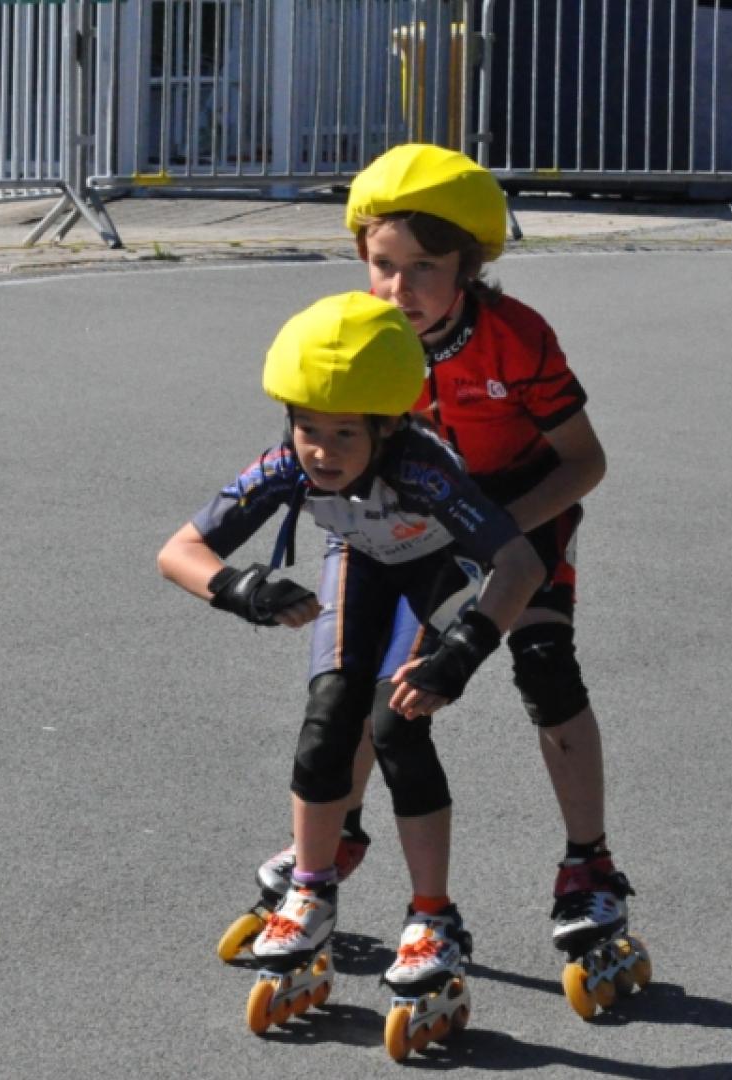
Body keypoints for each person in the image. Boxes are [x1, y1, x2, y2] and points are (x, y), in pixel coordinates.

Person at [250, 144, 635, 969]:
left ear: (469, 265)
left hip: (524, 508)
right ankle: (340, 835)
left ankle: (589, 865)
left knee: (546, 668)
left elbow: (584, 463)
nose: (400, 289)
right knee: (372, 685)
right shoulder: (362, 336)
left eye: (425, 267)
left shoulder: (516, 338)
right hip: (417, 522)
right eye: (383, 265)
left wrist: (491, 531)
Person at [159, 292, 544, 997]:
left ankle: (434, 917)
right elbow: (178, 552)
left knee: (397, 724)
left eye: (343, 434)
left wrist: (464, 652)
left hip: (436, 567)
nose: (321, 452)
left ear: (387, 426)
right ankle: (311, 889)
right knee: (328, 714)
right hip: (361, 560)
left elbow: (520, 564)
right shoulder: (287, 462)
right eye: (307, 428)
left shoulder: (424, 469)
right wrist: (244, 589)